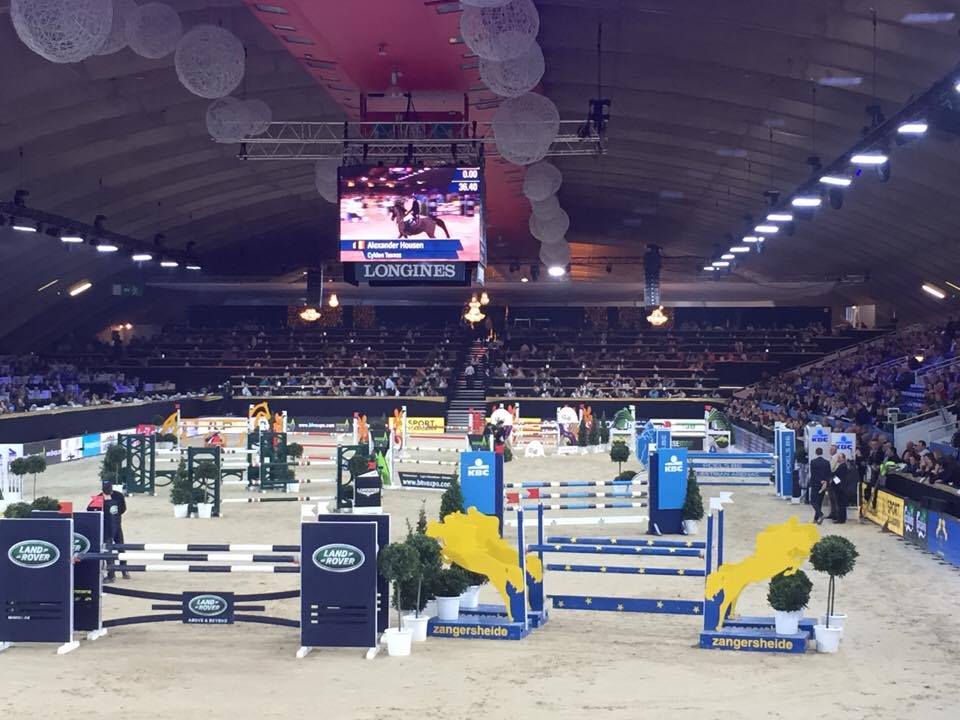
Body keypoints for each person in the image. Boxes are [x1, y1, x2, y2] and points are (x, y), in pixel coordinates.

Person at [87, 481, 129, 582]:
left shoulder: (119, 496)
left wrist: (115, 517)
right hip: (106, 528)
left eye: (109, 491)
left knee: (121, 548)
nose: (108, 493)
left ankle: (125, 570)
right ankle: (111, 574)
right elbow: (89, 510)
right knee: (108, 552)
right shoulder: (98, 498)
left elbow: (123, 509)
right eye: (106, 491)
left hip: (117, 525)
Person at [809, 447, 832, 524]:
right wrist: (825, 481)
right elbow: (829, 473)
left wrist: (819, 481)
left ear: (816, 453)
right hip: (824, 485)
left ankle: (820, 514)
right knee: (819, 502)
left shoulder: (813, 462)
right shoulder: (827, 462)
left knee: (813, 500)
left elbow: (813, 474)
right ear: (822, 453)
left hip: (816, 484)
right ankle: (816, 519)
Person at [831, 453, 849, 523]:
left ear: (843, 459)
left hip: (840, 488)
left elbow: (839, 477)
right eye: (837, 457)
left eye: (839, 458)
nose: (838, 459)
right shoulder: (841, 466)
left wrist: (835, 481)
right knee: (840, 504)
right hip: (840, 487)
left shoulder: (843, 467)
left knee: (841, 504)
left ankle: (841, 519)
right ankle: (841, 518)